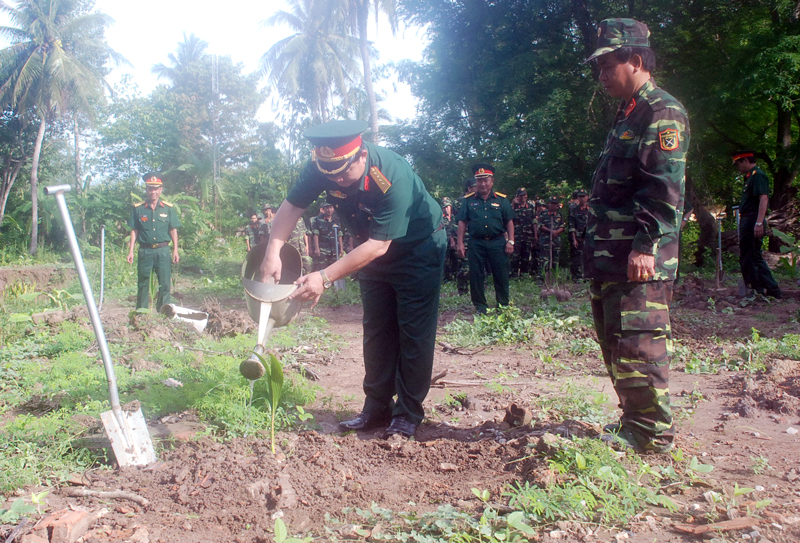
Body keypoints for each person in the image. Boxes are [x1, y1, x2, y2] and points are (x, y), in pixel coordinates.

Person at [257, 119, 446, 439]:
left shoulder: (391, 174)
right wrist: (272, 250)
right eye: (330, 175)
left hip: (417, 250)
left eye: (344, 173)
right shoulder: (324, 167)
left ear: (362, 155)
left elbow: (379, 245)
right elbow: (291, 206)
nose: (337, 181)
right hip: (368, 249)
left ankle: (407, 414)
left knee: (413, 332)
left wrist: (324, 277)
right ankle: (376, 407)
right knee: (377, 330)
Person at [585, 18, 689, 453]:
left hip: (639, 255)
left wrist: (646, 246)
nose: (602, 74)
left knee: (639, 342)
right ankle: (634, 423)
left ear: (635, 59)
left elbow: (664, 186)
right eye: (599, 66)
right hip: (612, 255)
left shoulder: (661, 112)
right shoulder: (628, 112)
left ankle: (652, 434)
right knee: (617, 341)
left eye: (608, 64)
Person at [456, 163, 514, 314]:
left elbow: (509, 221)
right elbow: (462, 222)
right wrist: (460, 243)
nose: (482, 184)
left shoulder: (501, 200)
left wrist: (511, 241)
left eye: (485, 180)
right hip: (476, 242)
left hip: (497, 242)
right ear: (476, 182)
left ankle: (503, 305)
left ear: (492, 181)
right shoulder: (468, 200)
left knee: (501, 274)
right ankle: (481, 307)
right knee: (476, 275)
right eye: (479, 180)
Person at [127, 172, 181, 310]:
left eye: (156, 189)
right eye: (150, 189)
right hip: (145, 250)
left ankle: (164, 311)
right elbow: (134, 230)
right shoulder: (138, 209)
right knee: (143, 282)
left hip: (163, 250)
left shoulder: (168, 208)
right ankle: (142, 312)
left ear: (160, 190)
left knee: (165, 282)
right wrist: (131, 251)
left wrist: (175, 250)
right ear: (147, 190)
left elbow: (173, 230)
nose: (153, 192)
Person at [732, 151, 781, 298]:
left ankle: (770, 288)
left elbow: (763, 199)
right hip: (748, 218)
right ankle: (756, 287)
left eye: (738, 164)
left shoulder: (758, 175)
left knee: (753, 255)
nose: (738, 168)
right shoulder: (750, 176)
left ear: (745, 161)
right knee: (748, 255)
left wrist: (759, 222)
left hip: (753, 218)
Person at [455, 179, 477, 295]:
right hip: (463, 238)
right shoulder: (460, 202)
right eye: (475, 186)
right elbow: (456, 222)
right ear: (469, 188)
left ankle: (479, 288)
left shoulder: (477, 200)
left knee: (478, 264)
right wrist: (457, 240)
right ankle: (462, 289)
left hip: (475, 237)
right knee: (464, 265)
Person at [510, 188, 537, 278]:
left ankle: (524, 275)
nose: (523, 197)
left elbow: (534, 221)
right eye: (520, 195)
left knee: (526, 256)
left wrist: (535, 235)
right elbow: (508, 219)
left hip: (527, 236)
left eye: (524, 195)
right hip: (516, 236)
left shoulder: (531, 207)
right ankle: (513, 275)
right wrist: (513, 205)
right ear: (517, 196)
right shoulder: (513, 207)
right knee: (515, 257)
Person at [310, 202, 343, 271]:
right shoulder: (317, 220)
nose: (329, 210)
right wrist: (317, 248)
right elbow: (316, 234)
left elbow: (339, 234)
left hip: (334, 250)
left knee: (334, 270)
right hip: (323, 250)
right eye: (327, 208)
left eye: (331, 207)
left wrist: (341, 248)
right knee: (322, 269)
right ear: (323, 209)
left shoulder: (336, 220)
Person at [537, 196, 565, 277]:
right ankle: (542, 277)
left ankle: (554, 277)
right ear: (548, 204)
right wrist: (550, 231)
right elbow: (540, 225)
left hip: (556, 240)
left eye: (555, 203)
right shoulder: (543, 214)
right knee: (544, 259)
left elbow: (562, 226)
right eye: (552, 203)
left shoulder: (559, 215)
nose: (553, 205)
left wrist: (557, 232)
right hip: (545, 240)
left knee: (555, 260)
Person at [569, 190, 590, 282]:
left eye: (583, 196)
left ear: (587, 197)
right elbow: (572, 225)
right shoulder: (574, 210)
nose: (582, 198)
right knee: (578, 257)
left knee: (588, 256)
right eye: (580, 197)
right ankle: (577, 276)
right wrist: (574, 239)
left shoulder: (591, 210)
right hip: (578, 237)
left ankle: (588, 275)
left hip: (589, 237)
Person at [441, 197, 460, 281]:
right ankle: (447, 279)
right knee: (446, 262)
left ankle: (457, 278)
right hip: (446, 243)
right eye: (444, 207)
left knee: (457, 261)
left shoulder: (455, 218)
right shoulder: (441, 219)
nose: (446, 209)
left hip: (456, 243)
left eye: (448, 207)